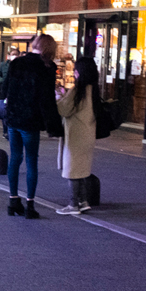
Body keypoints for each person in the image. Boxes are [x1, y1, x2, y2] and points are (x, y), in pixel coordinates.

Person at [0, 34, 61, 219]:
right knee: (32, 160)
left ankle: (13, 200)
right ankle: (30, 205)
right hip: (31, 120)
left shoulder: (16, 63)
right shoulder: (46, 67)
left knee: (15, 158)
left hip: (13, 118)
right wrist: (53, 126)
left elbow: (4, 89)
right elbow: (47, 99)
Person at [56, 57, 99, 215]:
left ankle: (73, 205)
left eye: (76, 69)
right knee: (81, 169)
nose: (74, 72)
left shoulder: (78, 90)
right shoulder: (93, 90)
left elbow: (64, 110)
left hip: (76, 136)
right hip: (88, 134)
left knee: (72, 171)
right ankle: (84, 201)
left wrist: (58, 96)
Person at [0, 48, 18, 138]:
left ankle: (11, 132)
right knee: (4, 112)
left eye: (16, 54)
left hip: (15, 93)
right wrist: (3, 81)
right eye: (13, 54)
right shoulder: (3, 65)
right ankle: (5, 130)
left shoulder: (21, 66)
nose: (14, 56)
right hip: (4, 91)